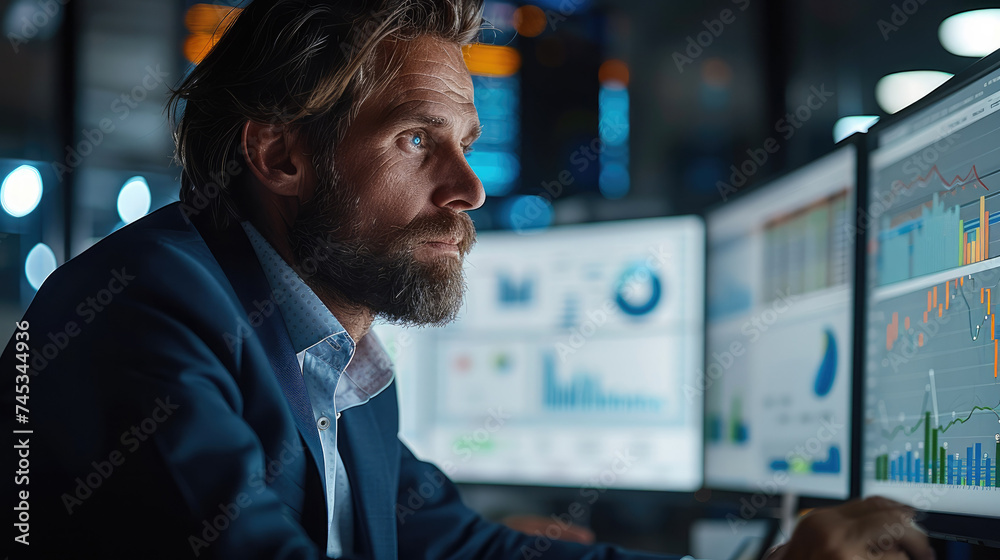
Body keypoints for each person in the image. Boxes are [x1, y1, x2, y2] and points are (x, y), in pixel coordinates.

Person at [2, 1, 934, 559]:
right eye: (417, 139)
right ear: (279, 154)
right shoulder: (139, 312)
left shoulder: (332, 359)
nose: (470, 187)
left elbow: (453, 542)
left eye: (466, 144)